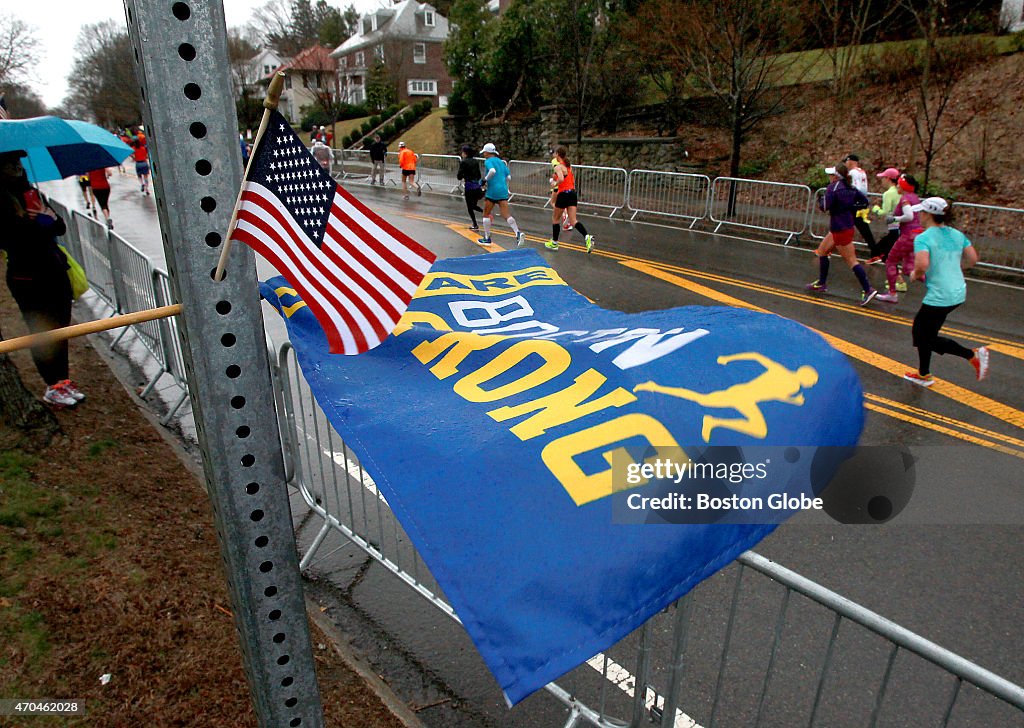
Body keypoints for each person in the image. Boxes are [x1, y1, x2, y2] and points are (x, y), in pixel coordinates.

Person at [0, 151, 84, 407]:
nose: (16, 167)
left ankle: (64, 379)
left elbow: (59, 227)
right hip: (27, 278)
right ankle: (53, 384)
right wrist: (36, 223)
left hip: (55, 271)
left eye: (18, 162)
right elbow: (12, 239)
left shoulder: (31, 192)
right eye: (9, 163)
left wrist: (48, 217)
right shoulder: (2, 202)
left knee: (61, 329)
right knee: (42, 332)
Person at [903, 197, 989, 387]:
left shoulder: (924, 238)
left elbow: (922, 264)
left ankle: (972, 355)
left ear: (927, 215)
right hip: (958, 292)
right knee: (926, 334)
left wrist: (914, 274)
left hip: (940, 296)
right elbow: (973, 259)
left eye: (921, 212)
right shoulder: (956, 234)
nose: (919, 215)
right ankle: (924, 374)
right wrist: (954, 269)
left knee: (922, 336)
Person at [806, 164, 877, 305]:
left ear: (836, 176)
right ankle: (821, 283)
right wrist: (850, 207)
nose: (829, 177)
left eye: (831, 174)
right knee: (822, 252)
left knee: (851, 260)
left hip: (840, 229)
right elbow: (864, 202)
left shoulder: (833, 188)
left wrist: (821, 198)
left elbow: (824, 207)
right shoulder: (850, 187)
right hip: (843, 226)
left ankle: (868, 289)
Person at [876, 174, 922, 304]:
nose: (897, 186)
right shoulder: (915, 198)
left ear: (903, 187)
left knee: (891, 261)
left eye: (899, 185)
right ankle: (935, 285)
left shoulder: (905, 199)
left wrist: (895, 219)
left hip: (908, 235)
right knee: (908, 268)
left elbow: (909, 216)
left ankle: (892, 293)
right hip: (916, 235)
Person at [545, 146, 595, 253]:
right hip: (572, 193)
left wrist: (555, 183)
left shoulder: (558, 167)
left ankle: (554, 242)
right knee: (573, 220)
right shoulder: (568, 166)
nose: (554, 155)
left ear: (558, 154)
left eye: (555, 153)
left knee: (555, 218)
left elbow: (561, 179)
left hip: (564, 193)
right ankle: (587, 236)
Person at [477, 142, 525, 247]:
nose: (483, 154)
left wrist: (485, 180)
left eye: (484, 152)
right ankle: (517, 232)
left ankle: (487, 238)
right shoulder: (501, 162)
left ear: (487, 152)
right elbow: (509, 177)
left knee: (486, 213)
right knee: (506, 214)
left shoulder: (488, 161)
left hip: (493, 190)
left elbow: (492, 171)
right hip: (503, 190)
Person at [843, 154, 879, 259]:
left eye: (846, 161)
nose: (845, 164)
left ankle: (827, 249)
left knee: (841, 225)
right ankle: (874, 250)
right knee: (863, 228)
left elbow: (855, 187)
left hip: (854, 204)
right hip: (862, 202)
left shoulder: (852, 172)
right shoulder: (861, 171)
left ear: (850, 161)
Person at [867, 167, 901, 265]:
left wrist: (876, 209)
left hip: (894, 224)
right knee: (888, 244)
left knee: (886, 246)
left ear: (888, 179)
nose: (881, 181)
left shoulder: (888, 194)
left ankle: (881, 258)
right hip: (901, 224)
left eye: (883, 178)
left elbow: (885, 211)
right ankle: (880, 257)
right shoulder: (900, 191)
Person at [456, 145, 484, 230]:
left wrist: (463, 175)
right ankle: (486, 213)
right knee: (474, 205)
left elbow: (459, 176)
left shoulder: (464, 162)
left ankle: (475, 224)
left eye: (463, 152)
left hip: (469, 187)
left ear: (465, 153)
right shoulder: (475, 161)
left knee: (470, 207)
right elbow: (479, 175)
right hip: (477, 186)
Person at [130, 128, 151, 195]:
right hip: (144, 163)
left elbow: (131, 154)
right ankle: (147, 189)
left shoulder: (133, 148)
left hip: (138, 163)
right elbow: (147, 156)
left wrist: (134, 157)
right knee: (146, 177)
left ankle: (142, 184)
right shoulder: (143, 148)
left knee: (139, 176)